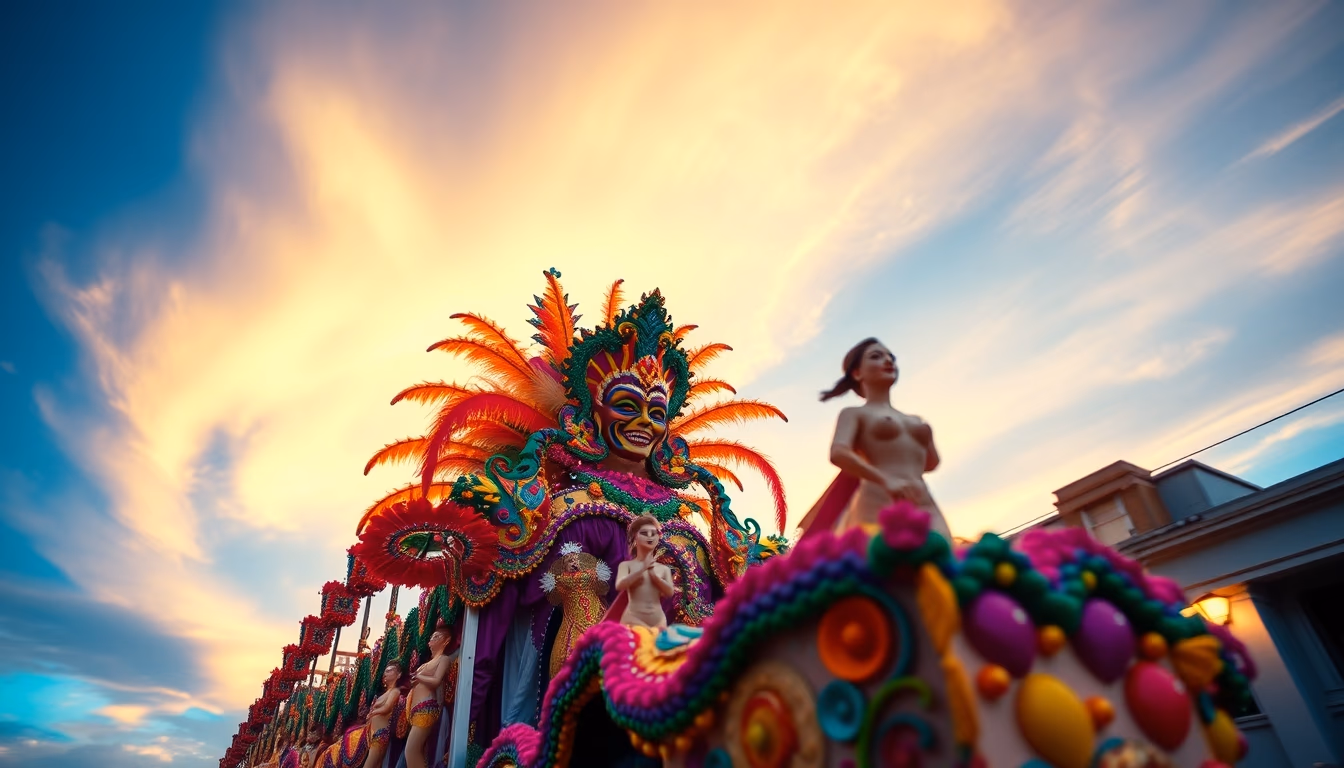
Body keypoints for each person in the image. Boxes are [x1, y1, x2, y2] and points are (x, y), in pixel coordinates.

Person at [800, 338, 948, 539]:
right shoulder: (854, 413)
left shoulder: (915, 420)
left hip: (922, 500)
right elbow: (838, 453)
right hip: (877, 500)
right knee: (880, 556)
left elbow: (931, 464)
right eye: (876, 356)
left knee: (942, 551)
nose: (888, 361)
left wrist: (926, 439)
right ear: (857, 373)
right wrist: (886, 480)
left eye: (891, 357)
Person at [613, 515, 677, 630]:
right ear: (635, 536)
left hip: (658, 623)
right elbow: (620, 585)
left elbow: (669, 592)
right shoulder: (626, 566)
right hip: (632, 621)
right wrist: (641, 569)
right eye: (644, 533)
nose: (650, 537)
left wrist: (655, 578)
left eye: (653, 533)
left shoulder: (663, 569)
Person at [404, 625, 453, 768]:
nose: (432, 639)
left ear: (446, 640)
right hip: (415, 710)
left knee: (411, 751)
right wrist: (415, 680)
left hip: (426, 708)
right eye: (432, 637)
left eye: (437, 637)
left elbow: (436, 681)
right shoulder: (425, 665)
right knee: (415, 750)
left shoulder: (443, 659)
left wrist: (419, 677)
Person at [362, 661, 405, 768]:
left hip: (381, 734)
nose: (386, 673)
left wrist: (373, 713)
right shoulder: (385, 693)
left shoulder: (395, 691)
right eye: (385, 671)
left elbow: (387, 708)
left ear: (399, 675)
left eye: (389, 671)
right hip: (373, 735)